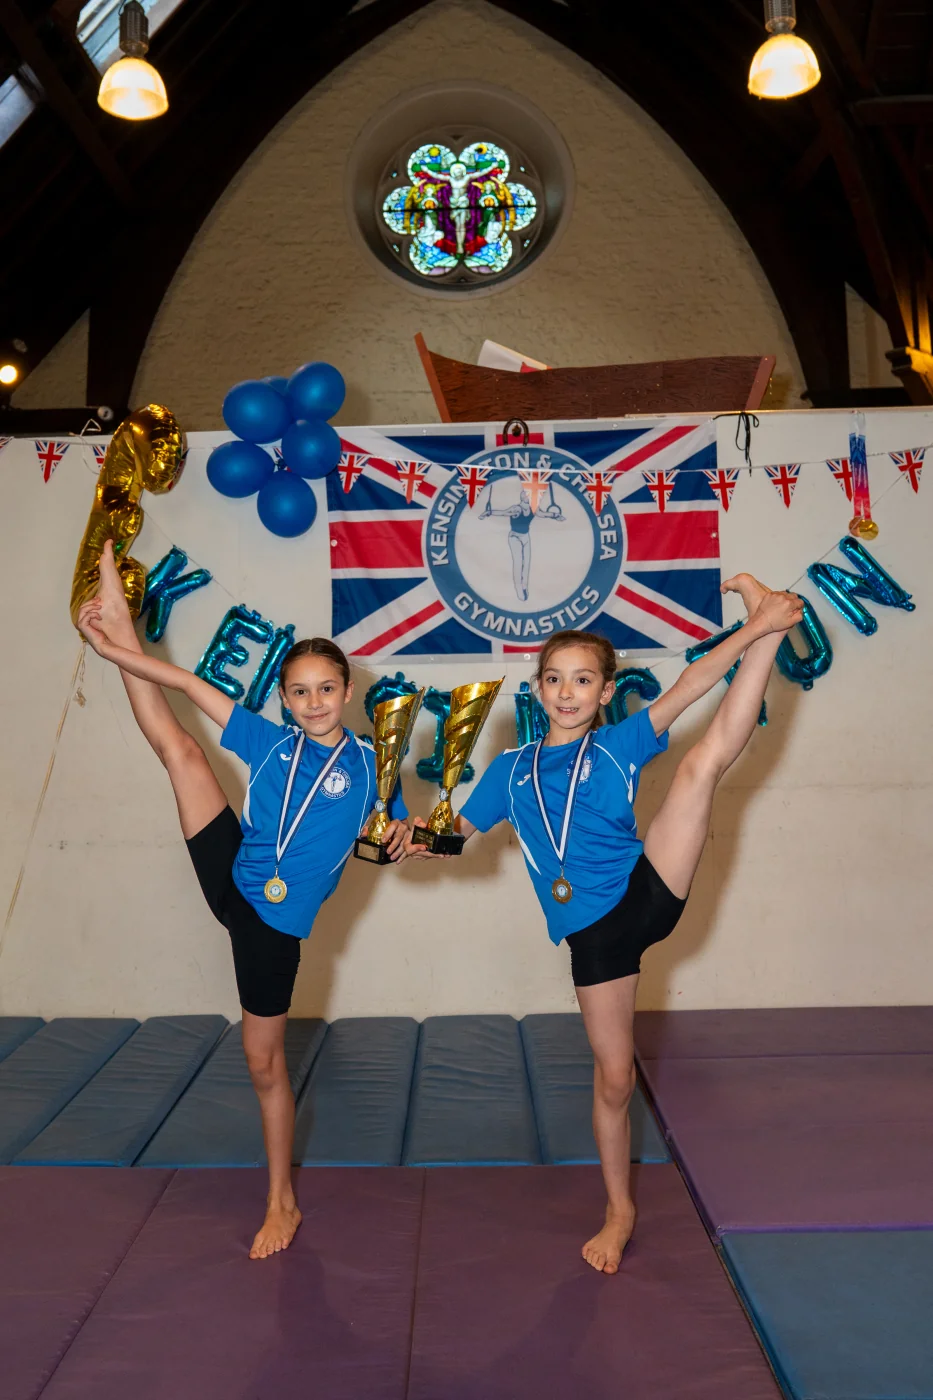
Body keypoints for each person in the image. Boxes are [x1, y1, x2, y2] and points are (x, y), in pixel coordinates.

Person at [407, 573, 803, 1274]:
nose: (567, 692)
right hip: (594, 936)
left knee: (699, 768)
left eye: (583, 680)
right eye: (554, 679)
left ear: (603, 690)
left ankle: (768, 626)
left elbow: (693, 684)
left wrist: (749, 634)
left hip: (646, 889)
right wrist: (412, 838)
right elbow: (456, 836)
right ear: (537, 688)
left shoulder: (618, 745)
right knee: (615, 1077)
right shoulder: (509, 770)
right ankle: (620, 1208)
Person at [76, 541, 408, 1260]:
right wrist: (112, 647)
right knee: (182, 751)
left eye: (326, 689)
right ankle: (120, 612)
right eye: (300, 692)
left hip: (272, 927)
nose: (314, 703)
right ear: (283, 698)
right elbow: (186, 686)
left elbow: (392, 837)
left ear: (347, 691)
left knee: (263, 1063)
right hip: (233, 873)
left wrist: (408, 838)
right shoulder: (270, 743)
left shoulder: (373, 766)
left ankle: (281, 1199)